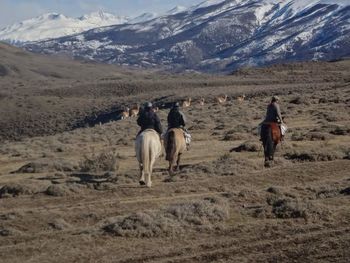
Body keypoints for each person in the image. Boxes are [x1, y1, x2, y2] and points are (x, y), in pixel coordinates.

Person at [260, 96, 284, 167]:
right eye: (277, 100)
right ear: (276, 100)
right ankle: (281, 137)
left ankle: (262, 137)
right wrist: (281, 121)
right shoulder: (276, 105)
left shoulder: (269, 105)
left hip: (266, 121)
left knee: (260, 127)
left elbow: (267, 114)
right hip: (273, 121)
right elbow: (278, 113)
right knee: (284, 127)